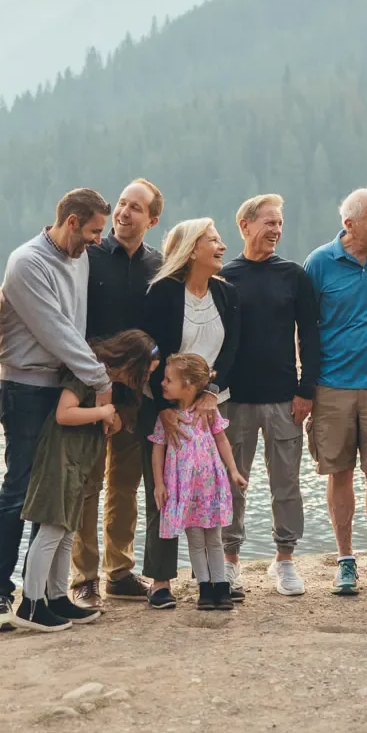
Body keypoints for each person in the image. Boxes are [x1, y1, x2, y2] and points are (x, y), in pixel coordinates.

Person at [0, 188, 114, 631]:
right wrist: (100, 380)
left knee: (57, 492)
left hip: (61, 388)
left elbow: (75, 328)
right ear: (72, 221)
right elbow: (56, 331)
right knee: (20, 487)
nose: (99, 240)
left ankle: (46, 596)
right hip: (24, 389)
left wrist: (87, 379)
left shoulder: (80, 256)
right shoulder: (28, 262)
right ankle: (0, 592)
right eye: (95, 230)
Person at [303, 187, 367, 595]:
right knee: (339, 471)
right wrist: (306, 386)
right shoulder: (319, 263)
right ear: (349, 225)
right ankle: (345, 560)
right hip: (331, 386)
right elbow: (306, 328)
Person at [16, 329, 158, 632]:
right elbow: (64, 414)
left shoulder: (111, 387)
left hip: (79, 461)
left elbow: (112, 422)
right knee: (52, 528)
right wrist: (104, 410)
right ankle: (30, 604)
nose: (146, 379)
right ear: (130, 362)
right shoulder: (86, 372)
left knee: (68, 530)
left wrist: (111, 415)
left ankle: (56, 596)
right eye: (145, 371)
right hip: (61, 458)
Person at [219, 194, 319, 598]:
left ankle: (285, 561)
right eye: (269, 223)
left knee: (287, 484)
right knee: (232, 483)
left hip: (284, 399)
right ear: (245, 225)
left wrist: (306, 389)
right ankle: (229, 563)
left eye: (280, 223)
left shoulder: (293, 276)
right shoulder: (224, 277)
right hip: (234, 400)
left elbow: (311, 336)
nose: (276, 230)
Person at [70, 179, 165, 609]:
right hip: (88, 385)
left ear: (153, 220)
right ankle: (84, 576)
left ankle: (119, 571)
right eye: (122, 204)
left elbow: (165, 328)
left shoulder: (158, 266)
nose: (124, 213)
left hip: (135, 393)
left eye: (135, 208)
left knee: (124, 484)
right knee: (87, 482)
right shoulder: (88, 256)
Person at [140, 218, 241, 609]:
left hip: (212, 405)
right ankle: (161, 580)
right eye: (213, 240)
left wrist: (212, 393)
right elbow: (150, 356)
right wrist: (164, 408)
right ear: (190, 248)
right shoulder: (162, 294)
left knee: (208, 499)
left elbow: (234, 348)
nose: (221, 246)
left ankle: (215, 580)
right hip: (165, 405)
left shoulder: (226, 294)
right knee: (163, 494)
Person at [150, 353, 251, 611]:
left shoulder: (208, 413)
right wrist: (159, 484)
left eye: (168, 379)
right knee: (195, 540)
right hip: (183, 488)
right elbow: (158, 450)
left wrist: (233, 471)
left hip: (210, 486)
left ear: (188, 385)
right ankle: (204, 588)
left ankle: (222, 587)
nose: (162, 383)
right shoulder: (167, 417)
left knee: (215, 539)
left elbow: (221, 440)